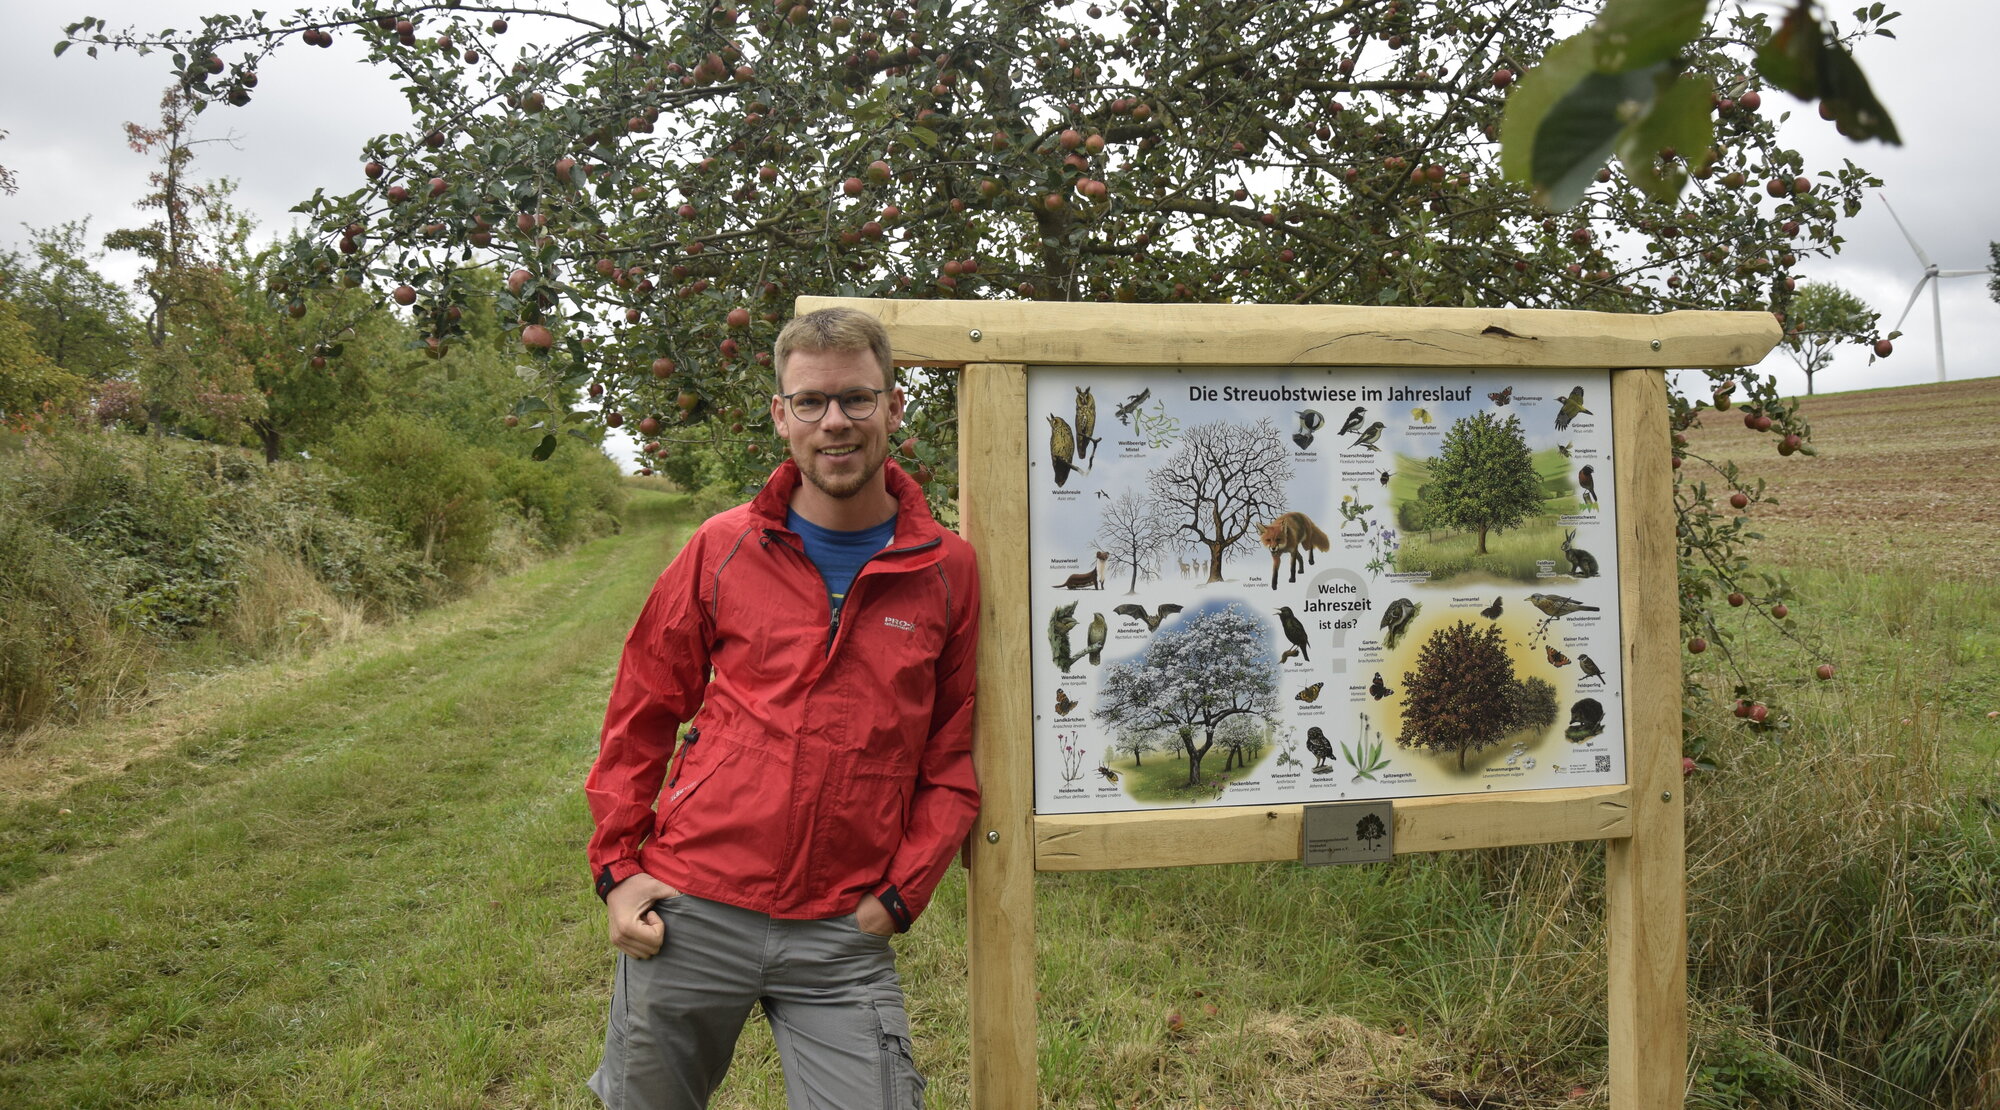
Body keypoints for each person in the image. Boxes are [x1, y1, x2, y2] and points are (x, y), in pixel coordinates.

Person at [583, 306, 981, 1109]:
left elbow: (953, 755)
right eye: (811, 401)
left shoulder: (948, 571)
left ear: (893, 408)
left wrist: (900, 897)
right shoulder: (723, 545)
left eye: (858, 399)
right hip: (694, 910)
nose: (835, 422)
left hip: (841, 932)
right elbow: (642, 711)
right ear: (782, 416)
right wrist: (619, 870)